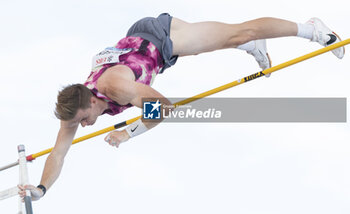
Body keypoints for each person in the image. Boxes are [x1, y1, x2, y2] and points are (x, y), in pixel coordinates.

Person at [18, 13, 345, 200]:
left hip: (161, 37)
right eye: (81, 123)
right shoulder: (75, 112)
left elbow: (163, 107)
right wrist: (42, 189)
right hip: (144, 46)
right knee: (228, 39)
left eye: (85, 119)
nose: (85, 125)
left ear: (91, 101)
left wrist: (128, 134)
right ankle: (249, 45)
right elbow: (58, 154)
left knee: (236, 33)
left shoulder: (112, 88)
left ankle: (311, 29)